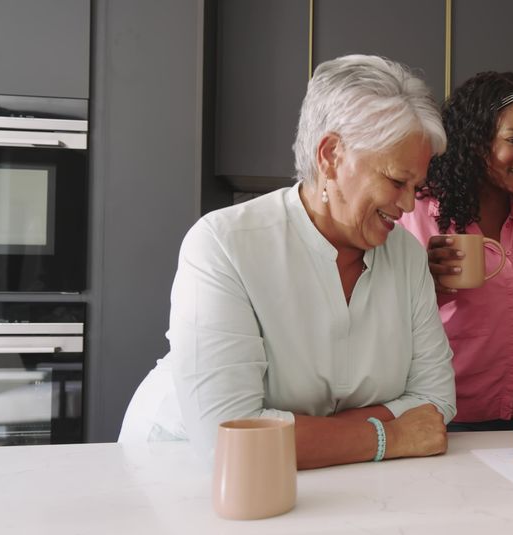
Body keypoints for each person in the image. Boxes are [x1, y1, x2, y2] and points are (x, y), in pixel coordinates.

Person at [120, 55, 457, 469]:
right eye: (396, 181)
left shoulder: (405, 256)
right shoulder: (223, 245)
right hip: (173, 472)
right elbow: (230, 438)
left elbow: (435, 400)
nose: (408, 205)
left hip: (335, 481)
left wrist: (315, 437)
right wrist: (389, 434)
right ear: (331, 154)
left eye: (417, 186)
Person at [398, 71, 513, 430]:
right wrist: (424, 284)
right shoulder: (416, 213)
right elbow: (377, 319)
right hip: (442, 423)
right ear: (475, 141)